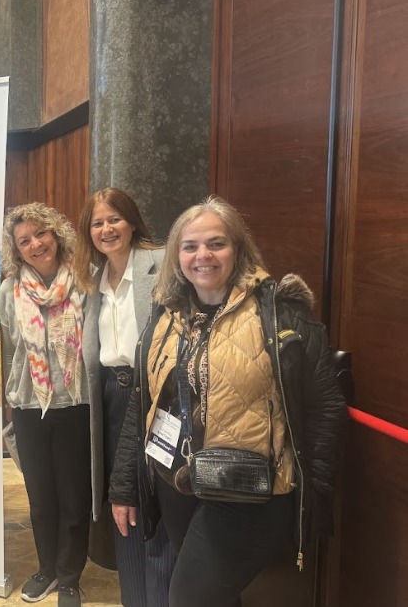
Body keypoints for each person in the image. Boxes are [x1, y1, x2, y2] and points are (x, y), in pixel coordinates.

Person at [108, 196, 346, 606]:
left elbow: (325, 409)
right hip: (175, 481)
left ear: (238, 249)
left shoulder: (279, 312)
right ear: (176, 256)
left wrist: (312, 497)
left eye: (216, 244)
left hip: (248, 491)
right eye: (190, 246)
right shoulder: (165, 314)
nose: (202, 255)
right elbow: (142, 402)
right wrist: (124, 486)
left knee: (189, 598)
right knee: (215, 597)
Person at [73, 189, 175, 606]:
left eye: (114, 219)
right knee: (122, 501)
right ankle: (135, 595)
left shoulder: (162, 263)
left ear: (132, 221)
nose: (106, 229)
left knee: (158, 501)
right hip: (110, 401)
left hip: (155, 396)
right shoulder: (91, 281)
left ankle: (161, 595)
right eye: (97, 223)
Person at [0, 202, 95, 607]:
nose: (35, 244)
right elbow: (10, 346)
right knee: (40, 496)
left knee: (73, 496)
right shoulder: (9, 290)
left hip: (75, 402)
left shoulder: (85, 280)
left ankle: (70, 576)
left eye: (41, 233)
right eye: (25, 240)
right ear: (16, 249)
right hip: (28, 406)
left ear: (56, 234)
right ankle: (47, 569)